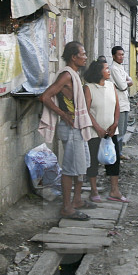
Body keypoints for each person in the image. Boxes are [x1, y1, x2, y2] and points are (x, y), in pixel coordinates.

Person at [38, 41, 95, 220]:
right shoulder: (66, 75)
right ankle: (66, 207)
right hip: (70, 127)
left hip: (78, 126)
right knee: (70, 169)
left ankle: (76, 200)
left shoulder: (75, 75)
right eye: (83, 54)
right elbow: (45, 97)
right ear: (73, 57)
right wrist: (63, 114)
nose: (85, 57)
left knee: (82, 165)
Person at [84, 60, 128, 203]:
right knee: (93, 161)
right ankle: (94, 190)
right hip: (94, 131)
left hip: (111, 131)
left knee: (113, 161)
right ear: (99, 72)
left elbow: (117, 106)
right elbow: (86, 110)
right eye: (106, 69)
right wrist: (97, 127)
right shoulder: (89, 88)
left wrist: (115, 123)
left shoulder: (111, 86)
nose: (109, 71)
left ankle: (114, 190)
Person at [109, 46, 134, 161]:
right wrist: (127, 82)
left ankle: (119, 152)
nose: (122, 57)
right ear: (113, 56)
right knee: (118, 130)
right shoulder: (113, 68)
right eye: (119, 54)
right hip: (118, 103)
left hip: (124, 103)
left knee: (123, 129)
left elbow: (131, 81)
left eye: (123, 54)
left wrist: (126, 82)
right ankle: (116, 154)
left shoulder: (121, 68)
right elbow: (123, 86)